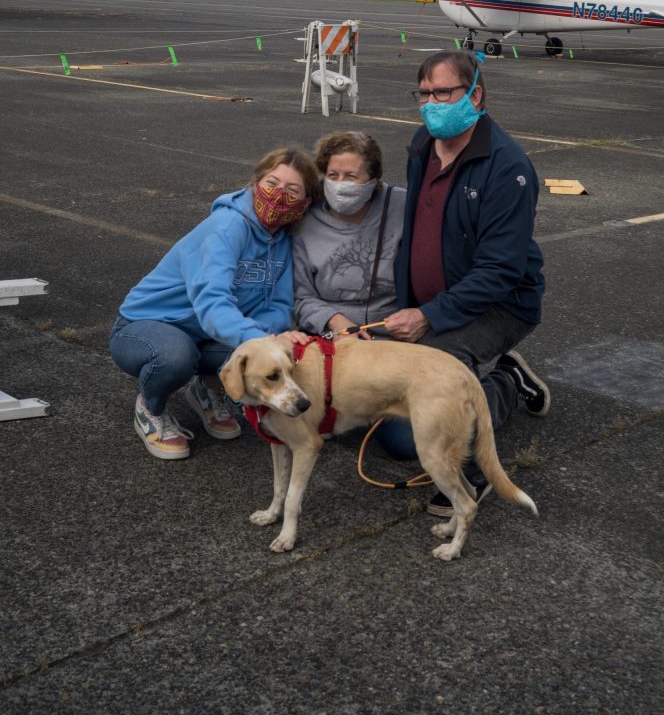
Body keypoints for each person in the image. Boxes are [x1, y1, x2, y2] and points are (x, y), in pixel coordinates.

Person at [383, 49, 550, 511]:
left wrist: (428, 317)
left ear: (475, 93)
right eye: (424, 93)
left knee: (410, 434)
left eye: (444, 92)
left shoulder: (507, 167)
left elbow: (500, 271)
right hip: (435, 305)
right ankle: (499, 375)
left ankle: (502, 394)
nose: (432, 103)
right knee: (394, 422)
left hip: (500, 304)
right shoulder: (422, 144)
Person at [109, 146, 319, 460]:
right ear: (254, 183)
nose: (278, 196)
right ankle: (150, 409)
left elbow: (278, 303)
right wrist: (261, 341)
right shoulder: (226, 228)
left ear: (305, 204)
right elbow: (212, 305)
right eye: (271, 184)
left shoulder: (284, 239)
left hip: (205, 336)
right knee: (177, 356)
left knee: (269, 355)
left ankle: (207, 387)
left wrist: (273, 340)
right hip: (144, 329)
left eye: (292, 190)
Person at [292, 131, 406, 339]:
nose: (340, 184)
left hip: (394, 333)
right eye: (333, 175)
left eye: (351, 176)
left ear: (373, 180)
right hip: (331, 334)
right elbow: (301, 296)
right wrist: (333, 321)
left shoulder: (402, 206)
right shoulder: (304, 219)